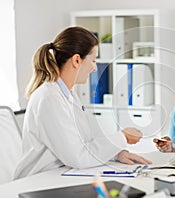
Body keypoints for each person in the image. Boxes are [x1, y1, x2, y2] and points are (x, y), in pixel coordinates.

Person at [14, 26, 151, 179]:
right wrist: (122, 137)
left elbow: (87, 142)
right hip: (38, 180)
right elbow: (78, 157)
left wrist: (117, 153)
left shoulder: (68, 94)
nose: (94, 68)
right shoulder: (49, 97)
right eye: (93, 60)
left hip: (59, 174)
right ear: (77, 60)